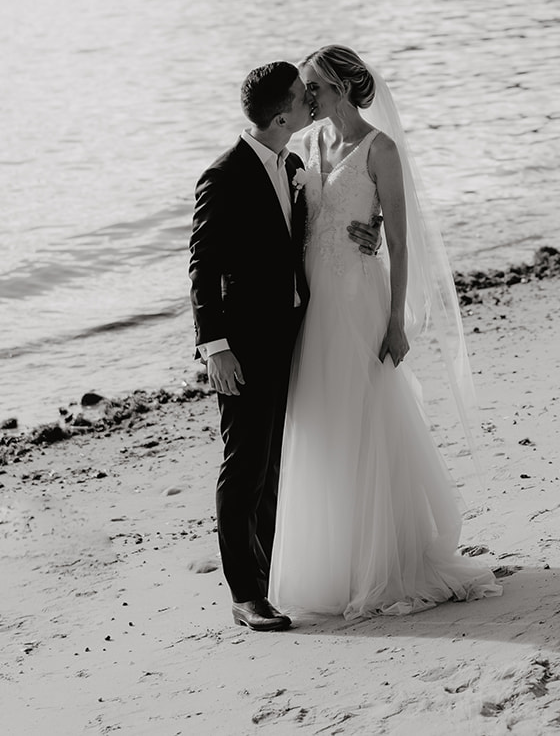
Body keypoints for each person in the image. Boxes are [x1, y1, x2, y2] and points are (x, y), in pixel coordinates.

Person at [270, 46, 501, 619]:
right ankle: (335, 562)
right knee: (324, 423)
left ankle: (384, 560)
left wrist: (396, 321)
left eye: (313, 88)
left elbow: (399, 243)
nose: (305, 97)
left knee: (368, 419)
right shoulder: (307, 145)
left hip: (360, 303)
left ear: (342, 89)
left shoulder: (381, 151)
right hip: (315, 308)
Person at [189, 63, 379, 631]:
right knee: (245, 465)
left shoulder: (294, 165)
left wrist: (373, 226)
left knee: (278, 462)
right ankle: (245, 594)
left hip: (295, 334)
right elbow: (201, 267)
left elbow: (323, 227)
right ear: (280, 117)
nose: (311, 102)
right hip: (243, 346)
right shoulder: (223, 176)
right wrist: (215, 347)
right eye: (302, 96)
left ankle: (274, 575)